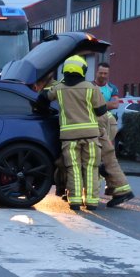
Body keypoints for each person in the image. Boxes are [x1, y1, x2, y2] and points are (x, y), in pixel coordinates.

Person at [53, 54, 106, 211]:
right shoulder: (91, 88)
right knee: (90, 167)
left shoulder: (59, 89)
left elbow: (42, 100)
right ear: (83, 70)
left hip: (69, 138)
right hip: (90, 136)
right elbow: (101, 110)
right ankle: (91, 201)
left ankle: (74, 201)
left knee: (73, 168)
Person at [93, 61, 133, 207]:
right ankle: (115, 189)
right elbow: (108, 104)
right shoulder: (91, 86)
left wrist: (97, 104)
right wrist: (104, 103)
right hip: (101, 122)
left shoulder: (112, 88)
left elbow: (115, 104)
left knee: (103, 156)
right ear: (96, 72)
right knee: (104, 156)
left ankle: (116, 191)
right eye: (101, 73)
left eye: (105, 73)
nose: (103, 76)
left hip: (108, 124)